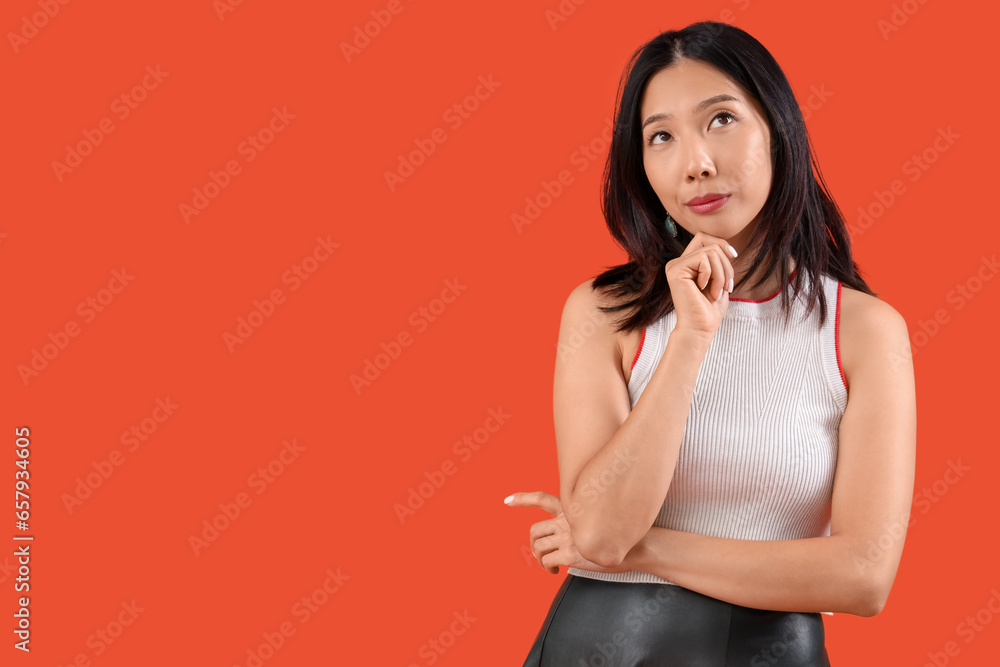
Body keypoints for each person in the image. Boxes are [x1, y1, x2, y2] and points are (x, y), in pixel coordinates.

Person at [504, 20, 916, 666]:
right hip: (602, 648)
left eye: (720, 120)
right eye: (661, 136)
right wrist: (692, 337)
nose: (695, 163)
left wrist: (641, 550)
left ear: (779, 130)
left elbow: (864, 575)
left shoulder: (864, 331)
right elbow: (604, 526)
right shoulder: (604, 312)